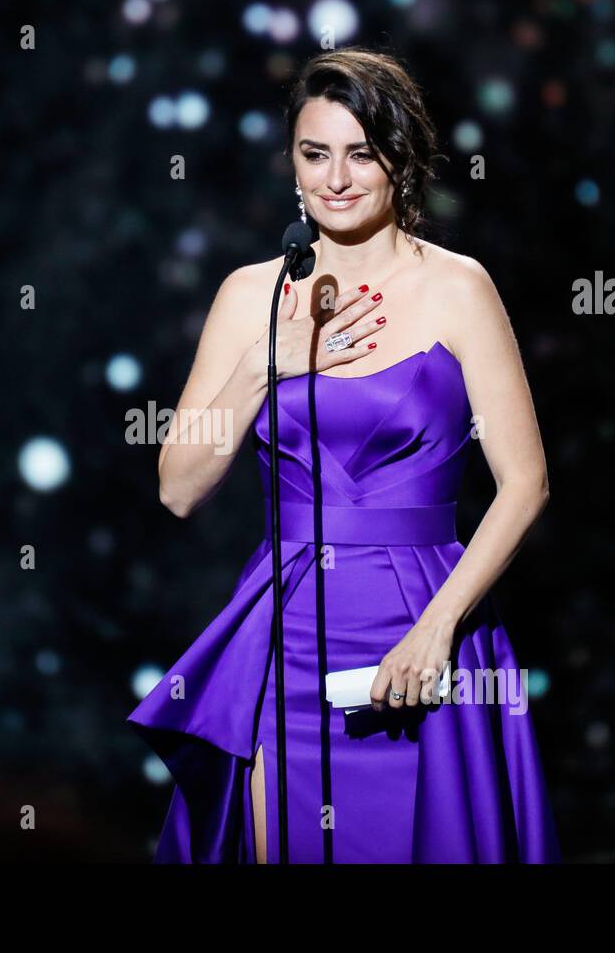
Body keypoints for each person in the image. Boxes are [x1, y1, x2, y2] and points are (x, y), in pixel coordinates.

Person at [127, 47, 562, 863]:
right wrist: (268, 362)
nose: (336, 178)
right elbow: (178, 489)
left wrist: (438, 631)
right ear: (292, 163)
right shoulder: (251, 295)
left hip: (429, 620)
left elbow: (525, 482)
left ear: (402, 157)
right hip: (284, 632)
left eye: (362, 153)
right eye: (315, 153)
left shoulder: (459, 287)